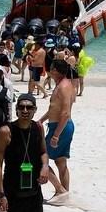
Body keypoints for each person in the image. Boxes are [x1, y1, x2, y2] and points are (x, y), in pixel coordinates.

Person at [40, 60, 74, 198]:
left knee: (41, 158)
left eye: (51, 69)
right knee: (60, 161)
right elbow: (54, 108)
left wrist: (56, 135)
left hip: (61, 127)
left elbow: (65, 113)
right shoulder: (62, 85)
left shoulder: (64, 86)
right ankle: (64, 194)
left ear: (56, 71)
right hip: (60, 126)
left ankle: (61, 190)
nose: (50, 71)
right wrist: (41, 120)